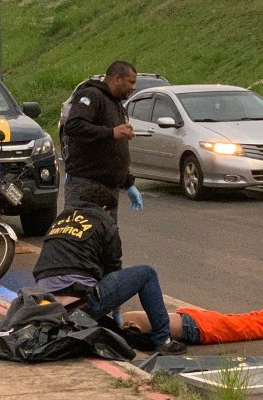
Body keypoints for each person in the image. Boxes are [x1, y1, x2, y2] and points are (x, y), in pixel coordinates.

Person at [32, 183, 186, 355]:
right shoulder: (104, 222)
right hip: (80, 303)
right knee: (147, 273)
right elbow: (113, 272)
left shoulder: (60, 219)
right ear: (105, 208)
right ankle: (163, 340)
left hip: (46, 306)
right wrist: (117, 313)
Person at [63, 61, 143, 222]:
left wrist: (128, 183)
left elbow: (114, 149)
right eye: (131, 82)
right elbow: (73, 126)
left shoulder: (117, 105)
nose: (134, 88)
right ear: (117, 79)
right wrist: (111, 132)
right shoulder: (92, 95)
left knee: (107, 240)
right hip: (86, 186)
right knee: (80, 239)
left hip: (109, 189)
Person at [119, 290, 263, 345]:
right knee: (252, 319)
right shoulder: (118, 318)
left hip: (197, 328)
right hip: (191, 318)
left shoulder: (120, 328)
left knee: (258, 326)